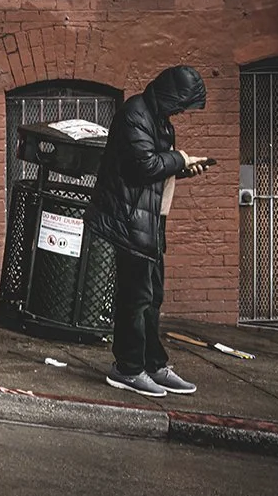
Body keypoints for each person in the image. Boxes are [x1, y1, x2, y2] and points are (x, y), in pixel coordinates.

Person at [85, 66, 213, 397]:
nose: (183, 112)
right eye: (184, 104)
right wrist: (179, 157)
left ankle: (153, 364)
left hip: (151, 220)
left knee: (152, 296)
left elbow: (156, 169)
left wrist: (184, 168)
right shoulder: (135, 114)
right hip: (129, 220)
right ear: (173, 95)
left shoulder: (158, 119)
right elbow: (143, 167)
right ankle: (127, 368)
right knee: (135, 297)